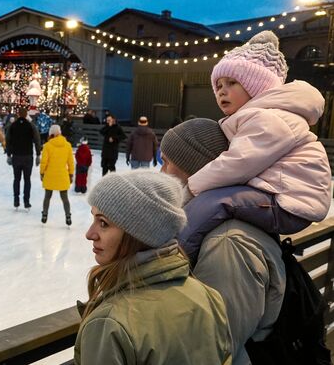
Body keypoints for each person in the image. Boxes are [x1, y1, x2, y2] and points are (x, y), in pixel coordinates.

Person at [182, 30, 331, 255]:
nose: (222, 90)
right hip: (279, 194)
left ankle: (177, 255)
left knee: (213, 201)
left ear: (257, 86)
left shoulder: (269, 118)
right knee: (213, 199)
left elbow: (238, 163)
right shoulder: (259, 116)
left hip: (289, 203)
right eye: (219, 85)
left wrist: (191, 188)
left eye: (231, 82)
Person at [160, 118, 286, 364]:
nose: (161, 172)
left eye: (166, 162)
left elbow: (216, 346)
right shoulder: (213, 222)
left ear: (194, 167)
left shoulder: (228, 244)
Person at [74, 170, 232, 364]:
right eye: (94, 219)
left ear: (139, 234)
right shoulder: (208, 297)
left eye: (103, 223)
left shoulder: (110, 324)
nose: (90, 234)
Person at [6, 108, 41, 209]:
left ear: (18, 114)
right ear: (26, 114)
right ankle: (26, 201)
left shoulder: (13, 126)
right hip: (27, 156)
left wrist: (8, 154)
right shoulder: (31, 125)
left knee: (16, 179)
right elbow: (37, 139)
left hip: (16, 156)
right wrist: (38, 154)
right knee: (27, 180)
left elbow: (8, 140)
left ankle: (16, 200)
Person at [39, 125, 74, 225]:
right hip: (62, 175)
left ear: (51, 134)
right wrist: (71, 174)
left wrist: (42, 172)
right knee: (65, 198)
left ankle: (45, 214)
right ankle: (68, 216)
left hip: (50, 175)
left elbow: (44, 162)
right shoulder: (67, 145)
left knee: (47, 196)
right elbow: (70, 162)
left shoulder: (47, 146)